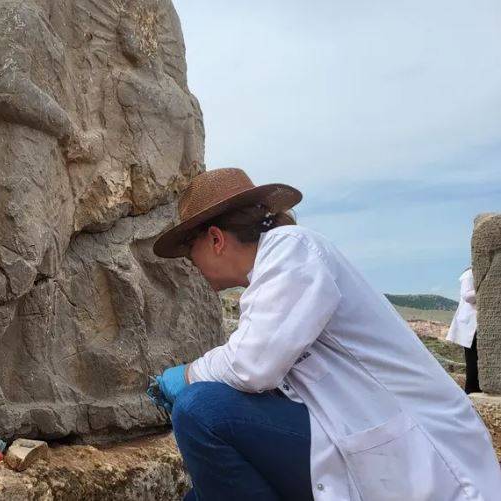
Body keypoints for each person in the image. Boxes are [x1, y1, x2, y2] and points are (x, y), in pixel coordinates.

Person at [150, 168, 501, 501]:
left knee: (200, 412)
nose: (189, 262)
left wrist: (189, 375)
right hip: (354, 439)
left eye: (190, 249)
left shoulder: (292, 248)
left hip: (417, 459)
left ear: (215, 239)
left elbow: (252, 364)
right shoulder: (272, 273)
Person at [447, 267, 480, 393]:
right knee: (473, 361)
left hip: (479, 323)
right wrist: (484, 289)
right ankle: (472, 391)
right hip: (471, 324)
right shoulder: (469, 274)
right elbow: (467, 296)